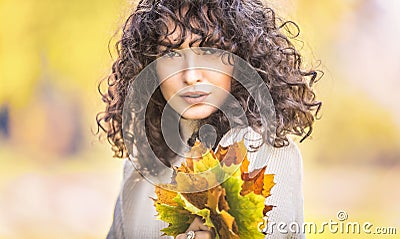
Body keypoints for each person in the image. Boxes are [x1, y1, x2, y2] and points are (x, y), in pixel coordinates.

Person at [96, 0, 322, 238]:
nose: (191, 75)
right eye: (171, 53)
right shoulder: (139, 164)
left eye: (208, 51)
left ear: (240, 57)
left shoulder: (265, 150)